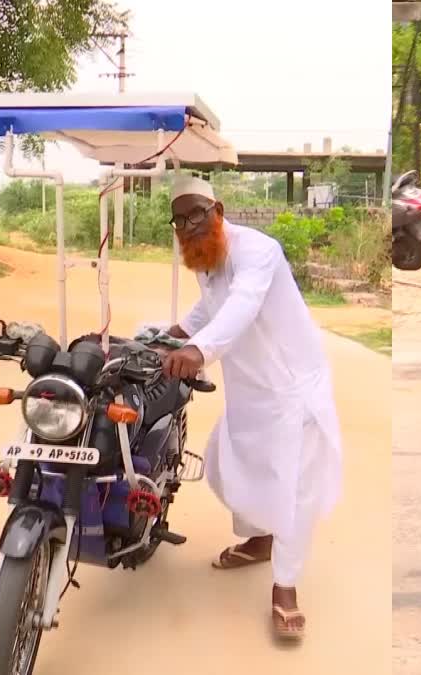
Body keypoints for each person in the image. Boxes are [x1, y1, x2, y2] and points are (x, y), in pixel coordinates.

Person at [159, 174, 343, 640]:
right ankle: (260, 540)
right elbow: (209, 309)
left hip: (289, 387)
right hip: (249, 387)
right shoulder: (205, 259)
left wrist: (199, 353)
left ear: (216, 210)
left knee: (291, 488)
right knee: (231, 463)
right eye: (179, 220)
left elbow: (241, 305)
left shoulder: (257, 250)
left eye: (195, 214)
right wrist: (167, 337)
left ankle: (286, 587)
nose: (188, 226)